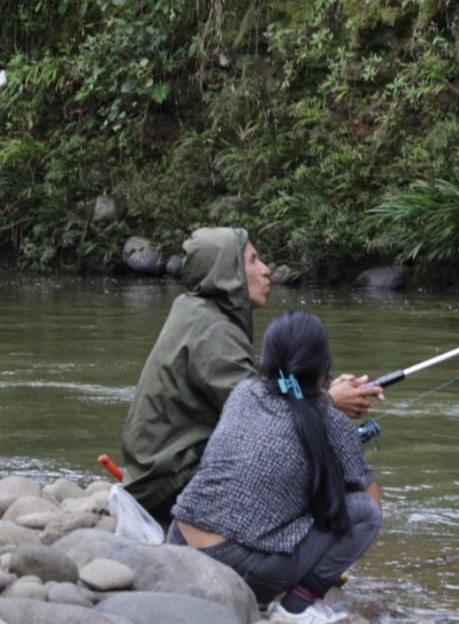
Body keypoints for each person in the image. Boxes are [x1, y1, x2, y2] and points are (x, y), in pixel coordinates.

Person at [120, 227, 383, 522]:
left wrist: (324, 385)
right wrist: (328, 402)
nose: (266, 270)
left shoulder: (198, 312)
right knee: (296, 457)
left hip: (162, 473)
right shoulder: (212, 330)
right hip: (168, 484)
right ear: (226, 271)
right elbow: (261, 414)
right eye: (253, 261)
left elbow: (260, 380)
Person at [167, 311, 382, 624]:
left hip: (179, 541)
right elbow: (370, 507)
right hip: (232, 567)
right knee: (364, 512)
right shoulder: (334, 423)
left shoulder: (243, 393)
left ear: (266, 361)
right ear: (323, 370)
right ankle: (296, 607)